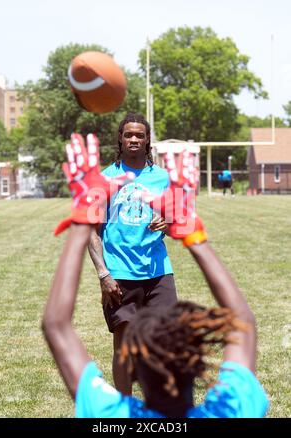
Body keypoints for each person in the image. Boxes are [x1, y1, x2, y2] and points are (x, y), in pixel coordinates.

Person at [43, 138, 269, 418]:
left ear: (135, 370)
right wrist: (193, 235)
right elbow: (243, 320)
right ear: (198, 364)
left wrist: (81, 220)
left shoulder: (113, 416)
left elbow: (55, 325)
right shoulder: (232, 411)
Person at [87, 113, 177, 395]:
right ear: (120, 139)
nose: (134, 139)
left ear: (148, 139)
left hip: (158, 271)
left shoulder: (162, 178)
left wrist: (168, 223)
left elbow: (178, 224)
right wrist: (104, 274)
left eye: (140, 135)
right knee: (123, 347)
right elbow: (91, 232)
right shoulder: (104, 178)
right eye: (129, 135)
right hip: (119, 273)